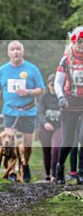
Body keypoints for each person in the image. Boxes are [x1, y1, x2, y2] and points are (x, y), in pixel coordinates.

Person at [0, 40, 45, 182]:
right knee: (9, 143)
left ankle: (25, 164)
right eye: (12, 49)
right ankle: (13, 172)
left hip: (28, 111)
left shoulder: (32, 69)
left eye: (18, 49)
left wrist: (27, 92)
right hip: (10, 111)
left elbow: (42, 90)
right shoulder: (1, 70)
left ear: (23, 51)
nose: (15, 51)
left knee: (27, 145)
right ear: (8, 53)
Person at [53, 27, 83, 184]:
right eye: (79, 42)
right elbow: (57, 83)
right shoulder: (66, 59)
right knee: (68, 140)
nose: (82, 45)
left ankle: (81, 172)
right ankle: (59, 169)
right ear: (73, 42)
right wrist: (61, 97)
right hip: (69, 103)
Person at [36, 74, 62, 182]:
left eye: (55, 85)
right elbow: (40, 112)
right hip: (45, 126)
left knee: (55, 149)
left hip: (59, 126)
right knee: (46, 150)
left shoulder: (62, 97)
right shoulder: (44, 97)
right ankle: (47, 173)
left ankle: (54, 174)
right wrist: (45, 123)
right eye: (52, 85)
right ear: (48, 85)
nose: (53, 87)